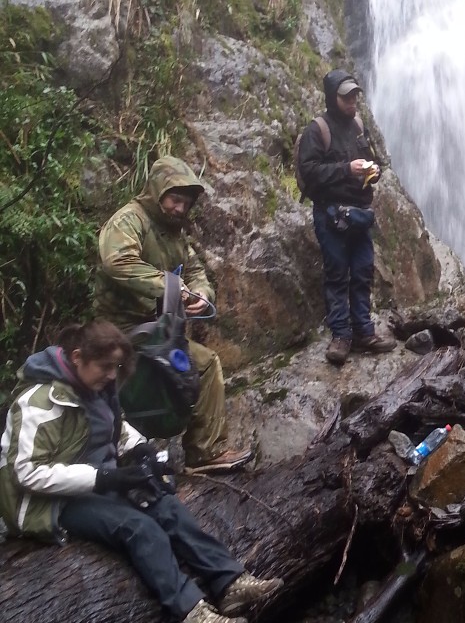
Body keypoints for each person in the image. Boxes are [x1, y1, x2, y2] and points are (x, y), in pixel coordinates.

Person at [0, 321, 283, 623]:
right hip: (49, 503)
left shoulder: (98, 387)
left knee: (165, 504)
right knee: (137, 527)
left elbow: (114, 427)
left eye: (116, 367)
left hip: (97, 482)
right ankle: (191, 611)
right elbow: (27, 472)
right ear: (78, 357)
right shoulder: (39, 402)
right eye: (105, 366)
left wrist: (139, 448)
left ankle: (229, 583)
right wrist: (105, 478)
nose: (112, 375)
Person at [95, 156, 250, 473]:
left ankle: (205, 453)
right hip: (118, 330)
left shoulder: (175, 233)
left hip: (159, 332)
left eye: (185, 203)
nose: (180, 208)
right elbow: (116, 262)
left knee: (204, 364)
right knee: (114, 387)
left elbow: (195, 272)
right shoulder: (129, 221)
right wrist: (168, 286)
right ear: (157, 192)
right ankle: (107, 454)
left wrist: (202, 296)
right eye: (174, 199)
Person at [298, 70, 397, 365]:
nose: (353, 101)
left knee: (363, 272)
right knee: (337, 274)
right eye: (346, 97)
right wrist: (346, 169)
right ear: (332, 97)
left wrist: (374, 171)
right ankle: (341, 336)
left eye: (355, 95)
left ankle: (364, 332)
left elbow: (373, 159)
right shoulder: (318, 130)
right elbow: (310, 171)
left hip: (361, 215)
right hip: (331, 216)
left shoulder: (357, 125)